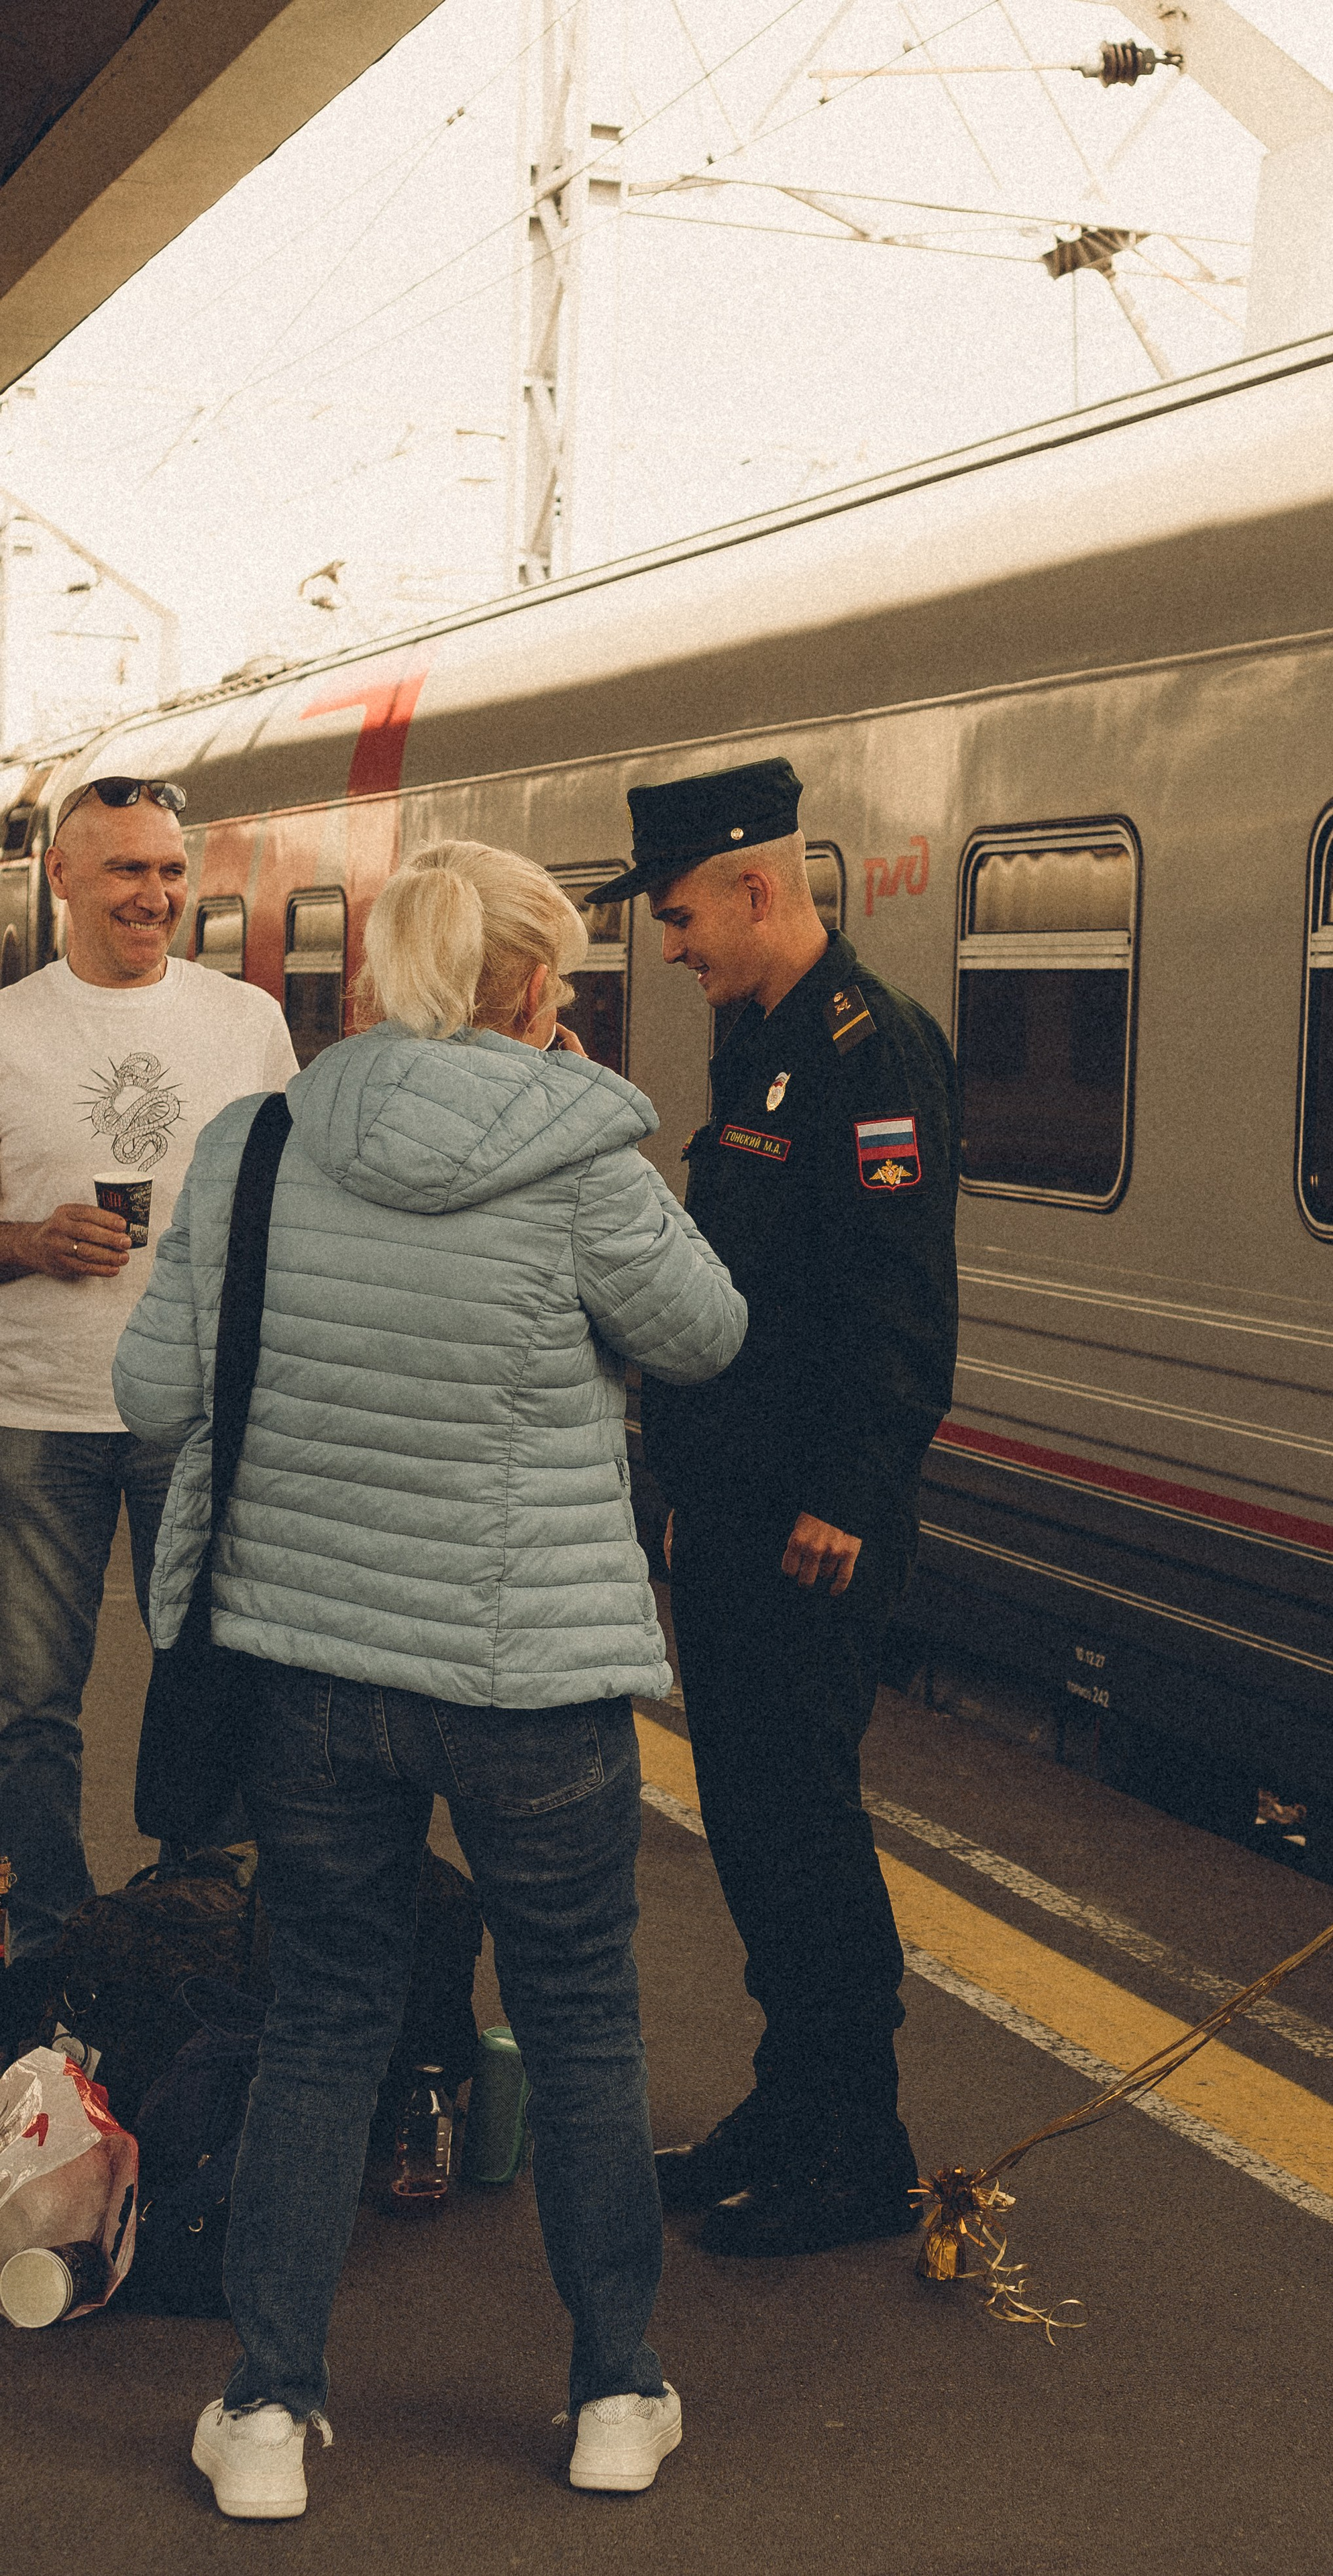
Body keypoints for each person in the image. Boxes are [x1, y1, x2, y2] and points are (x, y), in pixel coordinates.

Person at [113, 840, 745, 2522]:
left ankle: (264, 2413)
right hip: (528, 1675)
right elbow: (702, 1337)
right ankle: (613, 2393)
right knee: (583, 2023)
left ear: (376, 973)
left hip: (308, 1668)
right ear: (540, 988)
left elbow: (152, 1391)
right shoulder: (585, 1152)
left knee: (325, 2015)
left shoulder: (254, 1146)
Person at [586, 757, 960, 2259]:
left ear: (755, 885)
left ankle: (852, 2148)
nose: (666, 947)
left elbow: (897, 1309)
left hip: (812, 1523)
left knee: (801, 1822)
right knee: (747, 1817)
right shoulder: (763, 1038)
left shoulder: (871, 1053)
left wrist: (847, 1501)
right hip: (739, 1509)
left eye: (677, 917)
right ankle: (787, 2102)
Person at [0, 775, 298, 2056]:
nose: (157, 896)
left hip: (194, 1406)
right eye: (127, 870)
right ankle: (55, 1943)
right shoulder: (6, 1029)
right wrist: (24, 1238)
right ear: (60, 877)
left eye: (172, 871)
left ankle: (192, 1923)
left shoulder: (250, 1022)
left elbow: (303, 1198)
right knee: (29, 1701)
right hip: (38, 1411)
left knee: (208, 1681)